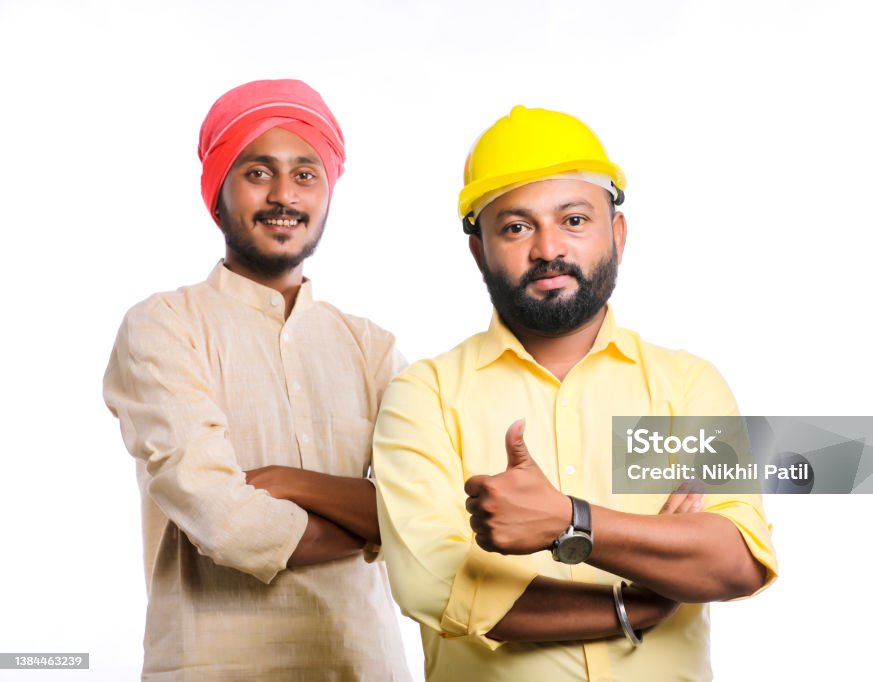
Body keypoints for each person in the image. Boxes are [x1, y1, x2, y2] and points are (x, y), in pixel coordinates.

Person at [373, 105, 778, 681]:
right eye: (516, 227)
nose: (547, 249)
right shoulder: (425, 395)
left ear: (616, 232)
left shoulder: (686, 386)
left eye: (574, 220)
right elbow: (433, 584)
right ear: (478, 250)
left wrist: (571, 520)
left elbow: (735, 560)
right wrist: (634, 601)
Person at [103, 79, 411, 681]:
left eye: (305, 174)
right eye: (257, 172)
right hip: (211, 666)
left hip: (361, 664)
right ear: (218, 191)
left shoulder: (373, 348)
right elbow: (227, 522)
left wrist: (286, 481)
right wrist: (380, 524)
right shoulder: (164, 326)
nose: (283, 195)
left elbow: (431, 510)